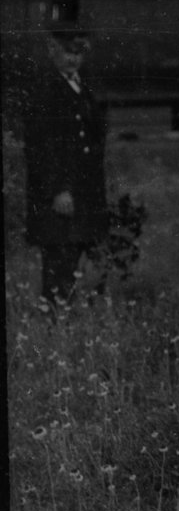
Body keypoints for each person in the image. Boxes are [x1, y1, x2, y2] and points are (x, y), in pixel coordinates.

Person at [22, 25, 108, 308]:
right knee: (58, 266)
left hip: (84, 195)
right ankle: (53, 322)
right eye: (67, 52)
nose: (73, 59)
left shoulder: (82, 86)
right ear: (52, 50)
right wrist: (58, 190)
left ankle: (67, 319)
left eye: (79, 52)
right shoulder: (44, 91)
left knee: (76, 263)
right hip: (59, 198)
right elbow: (40, 148)